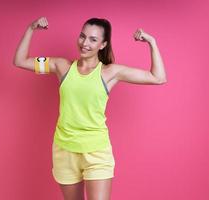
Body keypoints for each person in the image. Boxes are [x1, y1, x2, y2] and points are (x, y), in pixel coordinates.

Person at [13, 16, 167, 200]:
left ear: (103, 44)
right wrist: (31, 28)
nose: (85, 43)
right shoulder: (62, 66)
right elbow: (20, 61)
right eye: (82, 36)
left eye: (93, 39)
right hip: (64, 151)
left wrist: (152, 42)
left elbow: (158, 77)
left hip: (96, 152)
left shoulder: (110, 72)